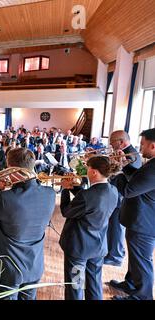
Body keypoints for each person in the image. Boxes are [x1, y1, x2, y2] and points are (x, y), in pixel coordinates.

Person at [0, 148, 56, 300]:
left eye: (7, 167)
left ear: (14, 169)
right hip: (34, 265)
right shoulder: (50, 194)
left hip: (8, 268)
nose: (5, 171)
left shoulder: (6, 198)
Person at [59, 156, 118, 300]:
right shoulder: (113, 190)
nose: (85, 171)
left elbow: (66, 211)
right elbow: (88, 203)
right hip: (98, 246)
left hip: (79, 248)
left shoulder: (87, 195)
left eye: (88, 169)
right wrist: (75, 187)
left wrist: (65, 190)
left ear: (94, 172)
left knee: (76, 285)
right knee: (94, 284)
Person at [110, 128, 155, 300]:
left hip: (144, 221)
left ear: (153, 145)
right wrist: (125, 167)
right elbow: (137, 178)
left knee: (142, 261)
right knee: (136, 257)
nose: (140, 148)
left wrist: (116, 173)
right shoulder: (151, 164)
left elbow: (129, 190)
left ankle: (142, 296)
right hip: (140, 218)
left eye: (143, 144)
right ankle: (130, 284)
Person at [104, 130, 142, 267]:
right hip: (115, 194)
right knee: (112, 226)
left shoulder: (132, 155)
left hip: (121, 198)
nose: (110, 144)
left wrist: (120, 165)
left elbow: (131, 180)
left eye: (112, 141)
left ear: (121, 142)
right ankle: (112, 252)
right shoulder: (125, 153)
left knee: (116, 227)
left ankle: (116, 256)